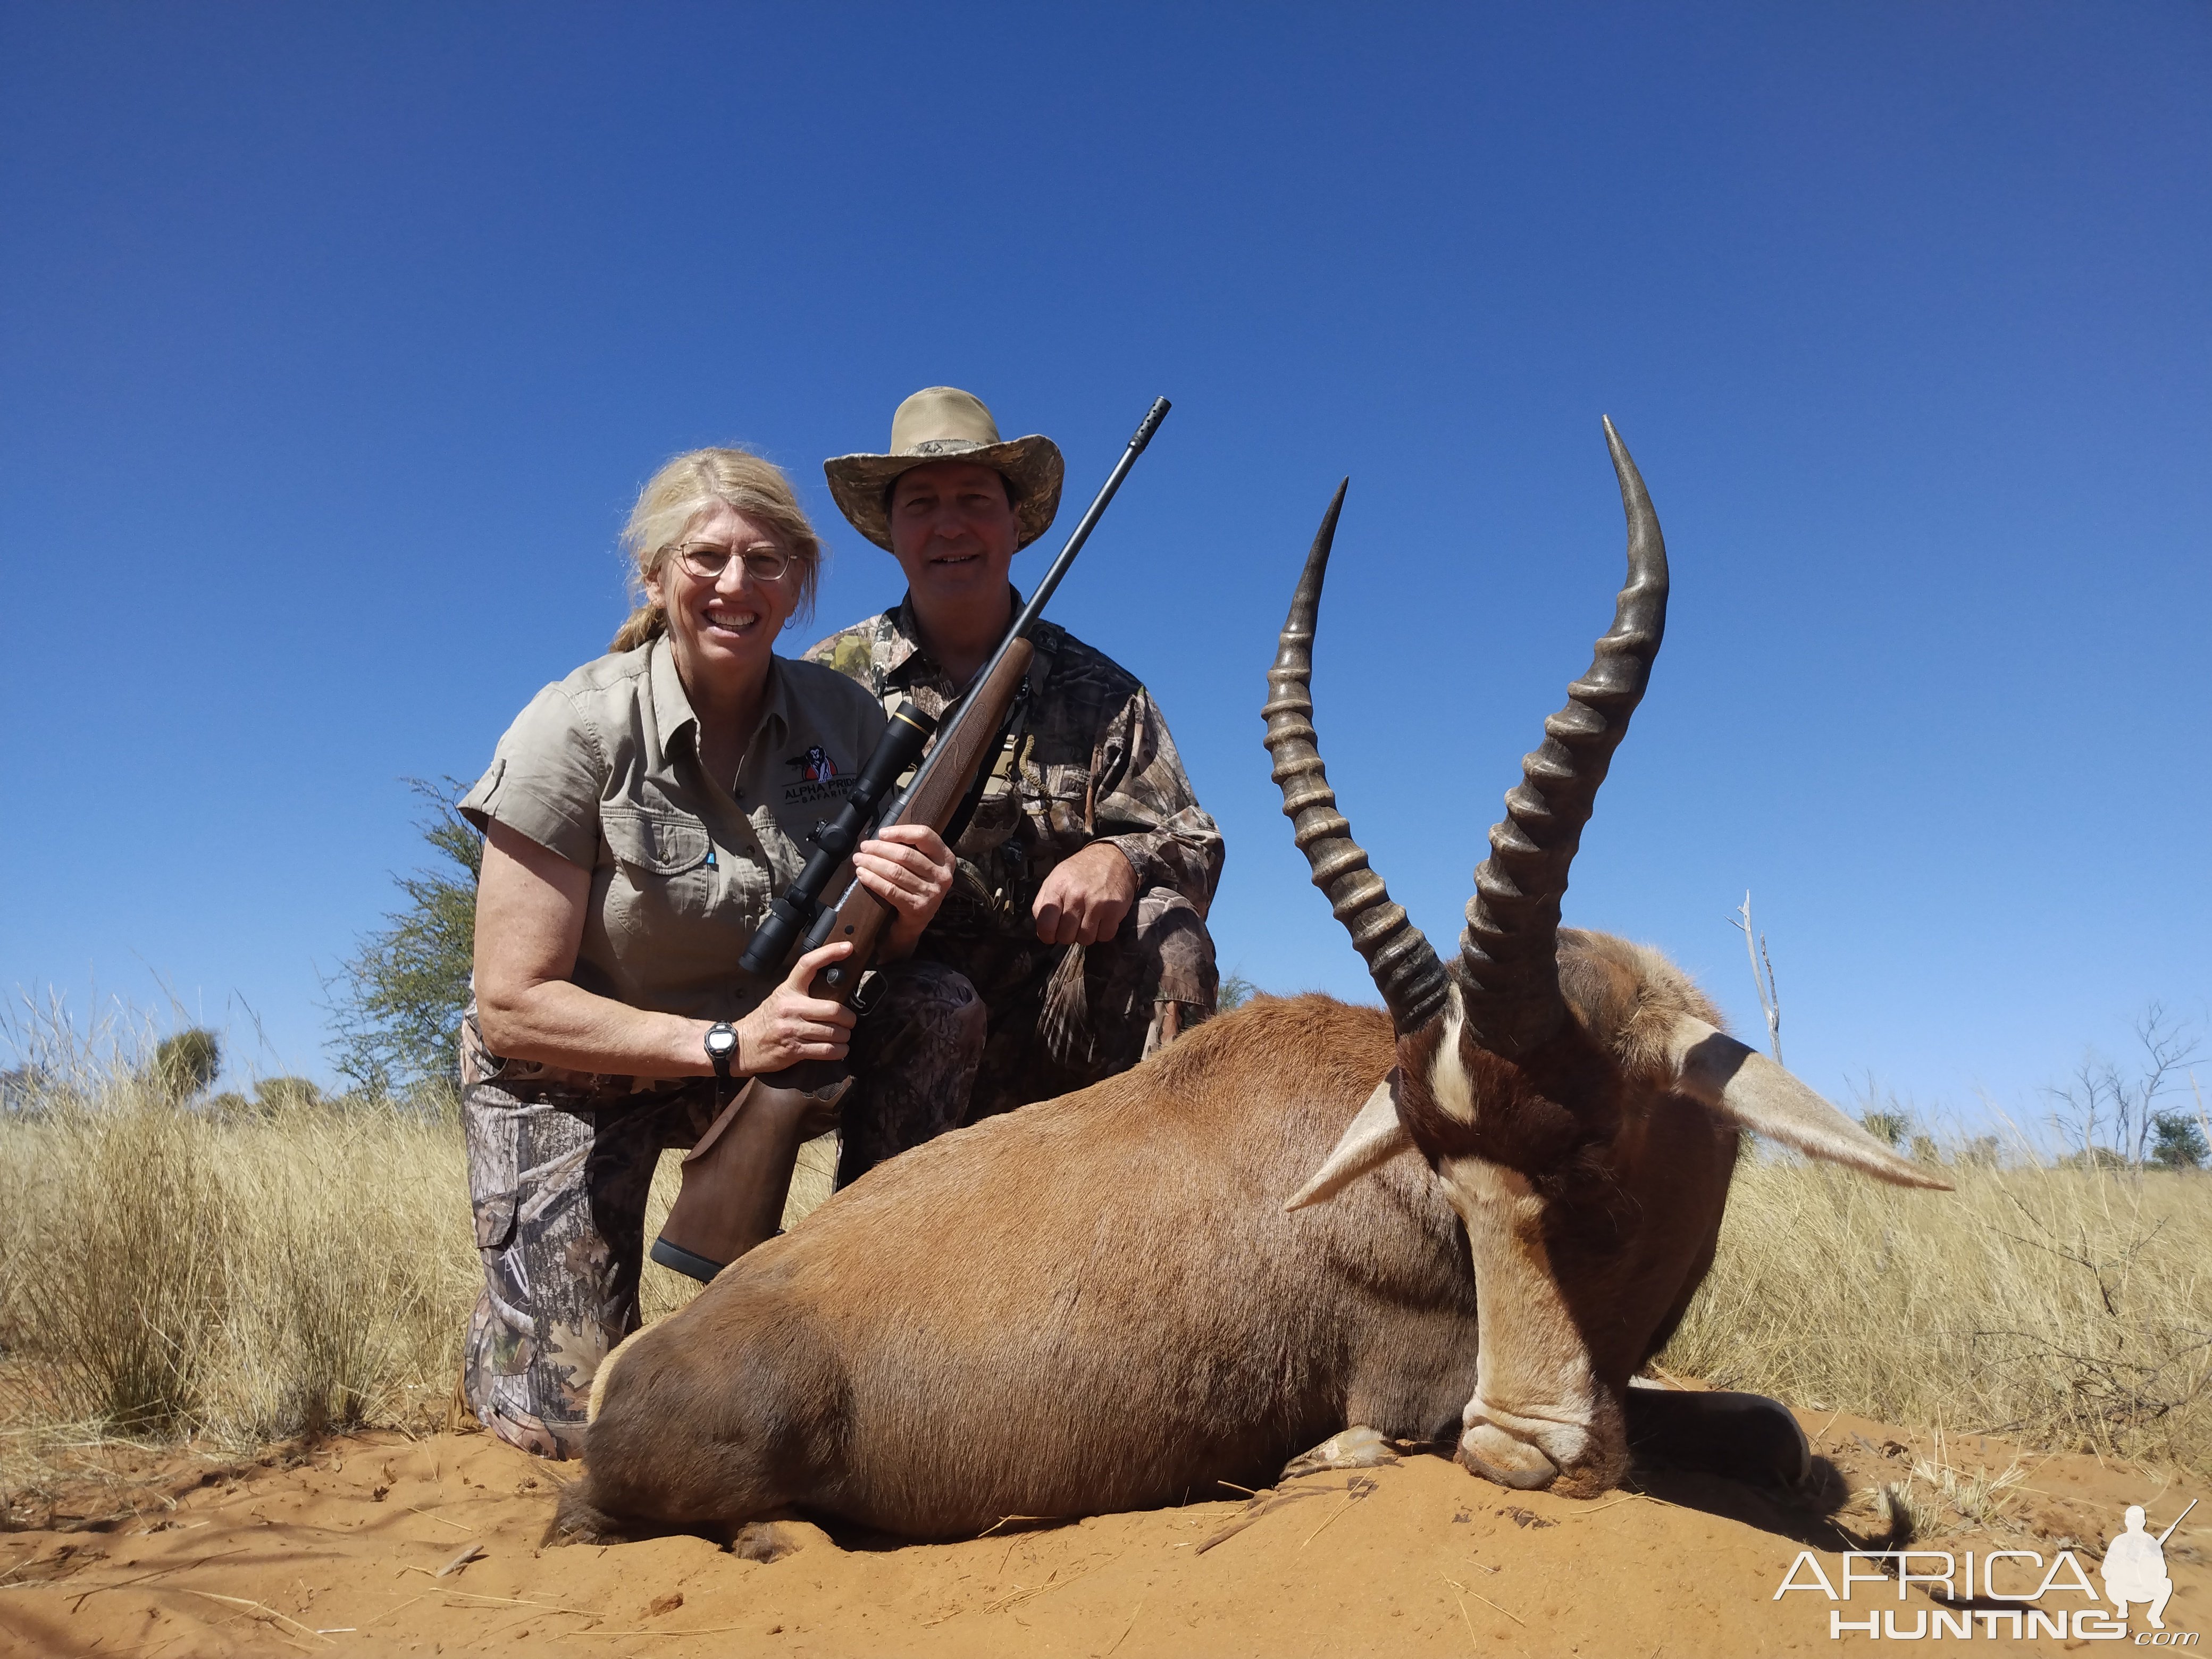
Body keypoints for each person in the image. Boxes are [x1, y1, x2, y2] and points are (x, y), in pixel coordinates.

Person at [456, 448, 970, 1457]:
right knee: (569, 1424)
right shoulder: (576, 725)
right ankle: (505, 1338)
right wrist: (731, 1044)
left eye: (767, 562)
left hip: (766, 1053)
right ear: (655, 576)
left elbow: (882, 948)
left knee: (940, 1001)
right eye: (708, 558)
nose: (737, 585)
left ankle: (886, 1316)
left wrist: (909, 909)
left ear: (800, 584)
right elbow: (511, 1002)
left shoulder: (850, 722)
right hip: (576, 1072)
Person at [808, 387, 1224, 1183]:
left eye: (975, 500)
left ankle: (1146, 1221)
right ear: (889, 531)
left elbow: (1196, 836)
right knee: (925, 1003)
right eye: (922, 503)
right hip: (882, 1023)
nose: (950, 525)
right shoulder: (827, 683)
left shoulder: (1106, 692)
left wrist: (1122, 861)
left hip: (1055, 1027)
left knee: (1166, 928)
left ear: (1015, 523)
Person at [2101, 1505, 2174, 1628]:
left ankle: (2148, 1614)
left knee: (2166, 1584)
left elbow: (2162, 1570)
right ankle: (2126, 1608)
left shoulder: (2148, 1542)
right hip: (2127, 1590)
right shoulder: (2122, 1541)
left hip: (2138, 1591)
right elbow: (2106, 1569)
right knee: (2166, 1584)